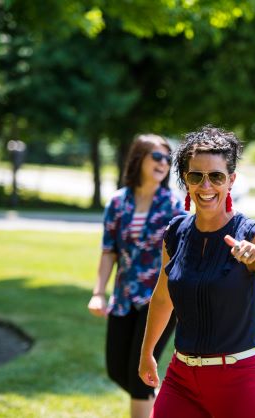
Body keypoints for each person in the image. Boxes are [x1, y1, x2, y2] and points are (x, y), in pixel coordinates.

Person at [138, 125, 255, 418]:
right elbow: (162, 299)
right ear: (186, 180)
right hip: (182, 379)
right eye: (196, 176)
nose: (206, 186)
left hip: (240, 381)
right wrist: (147, 352)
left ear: (231, 180)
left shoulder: (253, 234)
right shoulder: (175, 232)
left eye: (216, 176)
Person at [87, 134, 185, 418]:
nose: (164, 163)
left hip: (161, 299)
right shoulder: (118, 202)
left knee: (139, 375)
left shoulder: (172, 204)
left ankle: (148, 405)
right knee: (117, 369)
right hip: (124, 298)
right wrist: (98, 292)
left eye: (168, 159)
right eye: (157, 156)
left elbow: (183, 253)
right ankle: (160, 407)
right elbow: (109, 251)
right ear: (138, 158)